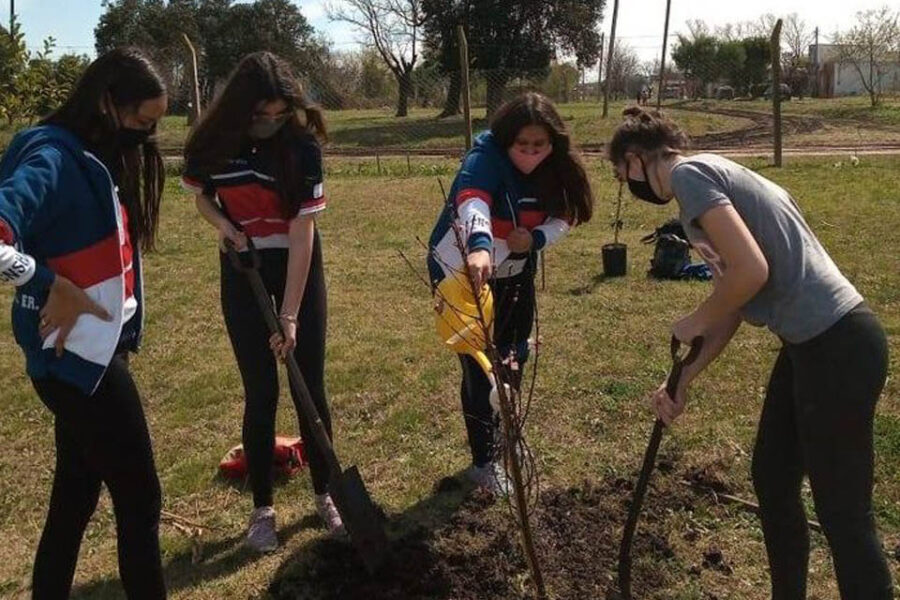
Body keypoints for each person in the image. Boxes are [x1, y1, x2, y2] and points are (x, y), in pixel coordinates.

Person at [608, 106, 893, 599]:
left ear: (635, 160)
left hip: (838, 346)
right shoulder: (711, 177)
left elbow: (751, 272)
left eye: (622, 175)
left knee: (843, 512)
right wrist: (684, 377)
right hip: (812, 346)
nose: (628, 186)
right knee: (773, 478)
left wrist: (692, 319)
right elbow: (736, 299)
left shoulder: (690, 176)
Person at [0, 48, 168, 598]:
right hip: (79, 362)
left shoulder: (90, 151)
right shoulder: (52, 157)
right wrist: (48, 285)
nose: (147, 136)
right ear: (105, 103)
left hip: (88, 356)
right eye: (142, 123)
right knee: (141, 500)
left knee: (74, 496)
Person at [182, 52, 341, 552]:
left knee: (308, 387)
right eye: (260, 116)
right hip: (241, 267)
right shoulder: (213, 144)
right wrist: (228, 228)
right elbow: (203, 196)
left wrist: (290, 314)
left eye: (279, 115)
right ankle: (263, 511)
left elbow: (302, 234)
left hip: (296, 266)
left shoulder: (301, 148)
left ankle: (326, 493)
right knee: (261, 390)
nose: (271, 125)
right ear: (239, 109)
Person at [427, 92, 593, 493]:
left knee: (514, 356)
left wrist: (534, 238)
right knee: (480, 367)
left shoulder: (558, 167)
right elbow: (473, 203)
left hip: (516, 269)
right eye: (523, 147)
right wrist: (481, 246)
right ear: (506, 142)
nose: (532, 155)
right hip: (462, 269)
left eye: (540, 146)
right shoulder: (484, 160)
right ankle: (483, 462)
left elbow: (565, 217)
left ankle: (506, 439)